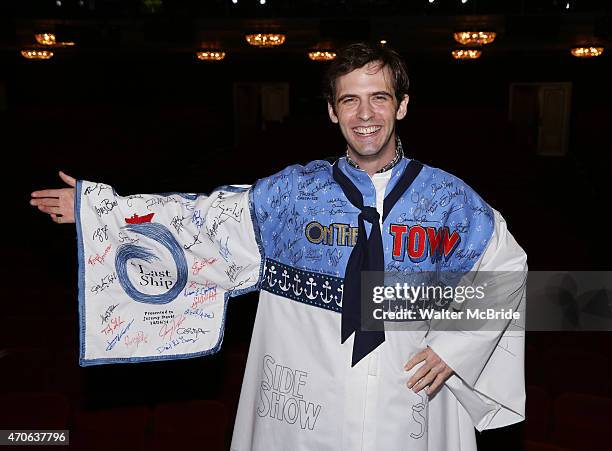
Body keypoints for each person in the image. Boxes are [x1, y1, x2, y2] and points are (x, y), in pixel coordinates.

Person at [30, 42, 527, 450]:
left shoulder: (451, 202)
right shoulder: (290, 196)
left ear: (402, 105)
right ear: (333, 112)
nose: (366, 113)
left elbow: (508, 266)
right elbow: (204, 223)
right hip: (309, 409)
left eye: (379, 97)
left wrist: (455, 348)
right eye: (350, 100)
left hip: (415, 401)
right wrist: (101, 211)